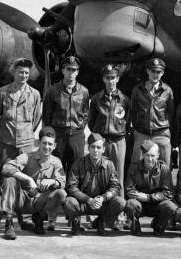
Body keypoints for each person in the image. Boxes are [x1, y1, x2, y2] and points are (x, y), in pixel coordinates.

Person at [0, 58, 42, 232]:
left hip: (26, 144)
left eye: (27, 73)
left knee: (25, 179)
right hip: (7, 143)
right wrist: (6, 131)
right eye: (21, 72)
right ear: (14, 72)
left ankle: (24, 217)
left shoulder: (34, 94)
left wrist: (26, 133)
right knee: (1, 178)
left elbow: (36, 118)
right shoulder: (3, 93)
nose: (24, 75)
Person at [0, 126, 66, 240]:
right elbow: (6, 167)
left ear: (54, 146)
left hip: (40, 202)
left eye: (50, 144)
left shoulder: (56, 161)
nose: (46, 147)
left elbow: (62, 182)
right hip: (23, 200)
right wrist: (28, 179)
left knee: (61, 193)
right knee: (10, 180)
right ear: (39, 143)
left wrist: (53, 181)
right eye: (44, 143)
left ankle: (39, 218)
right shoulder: (28, 157)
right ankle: (9, 223)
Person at [88, 64, 130, 229]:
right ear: (103, 79)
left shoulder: (125, 99)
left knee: (118, 177)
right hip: (101, 141)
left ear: (117, 79)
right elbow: (91, 123)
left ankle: (119, 215)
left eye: (113, 77)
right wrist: (99, 139)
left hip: (118, 140)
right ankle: (95, 214)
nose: (110, 81)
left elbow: (129, 120)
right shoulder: (97, 99)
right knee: (98, 177)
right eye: (107, 78)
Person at [65, 133, 126, 235]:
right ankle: (76, 221)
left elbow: (115, 186)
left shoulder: (109, 164)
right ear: (88, 148)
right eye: (93, 147)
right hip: (83, 202)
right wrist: (88, 200)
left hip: (101, 203)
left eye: (98, 147)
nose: (96, 150)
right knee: (69, 202)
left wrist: (103, 198)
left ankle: (101, 221)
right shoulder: (79, 163)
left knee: (120, 202)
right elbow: (71, 187)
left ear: (103, 149)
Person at [42, 55, 90, 174]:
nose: (71, 72)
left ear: (77, 72)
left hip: (76, 134)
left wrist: (79, 127)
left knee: (77, 167)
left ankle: (73, 191)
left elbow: (86, 112)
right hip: (59, 134)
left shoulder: (83, 91)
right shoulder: (53, 90)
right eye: (68, 69)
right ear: (63, 70)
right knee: (58, 166)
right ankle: (58, 191)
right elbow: (46, 115)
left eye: (73, 70)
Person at [124, 140, 178, 236]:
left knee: (171, 207)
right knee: (130, 204)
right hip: (139, 204)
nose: (150, 158)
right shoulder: (134, 168)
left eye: (153, 156)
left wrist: (149, 197)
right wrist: (139, 196)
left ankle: (158, 224)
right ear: (143, 155)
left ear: (158, 155)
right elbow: (129, 190)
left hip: (157, 204)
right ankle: (135, 225)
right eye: (147, 155)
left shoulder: (164, 169)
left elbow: (168, 193)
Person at [130, 57, 174, 167]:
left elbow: (170, 112)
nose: (155, 74)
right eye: (153, 71)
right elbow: (133, 111)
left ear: (162, 73)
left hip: (161, 133)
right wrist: (138, 127)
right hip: (142, 133)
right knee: (136, 166)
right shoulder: (138, 89)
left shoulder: (167, 91)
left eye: (158, 72)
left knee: (165, 166)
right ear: (147, 71)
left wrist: (163, 127)